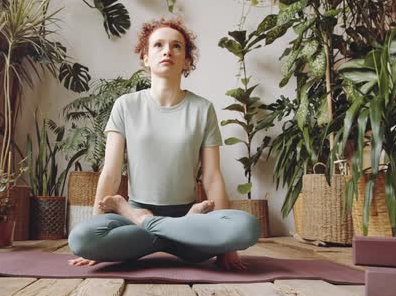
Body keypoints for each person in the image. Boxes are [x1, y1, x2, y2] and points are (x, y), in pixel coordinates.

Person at [67, 18, 260, 271]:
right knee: (81, 238)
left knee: (246, 228)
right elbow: (111, 173)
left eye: (176, 46)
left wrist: (229, 247)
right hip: (142, 221)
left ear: (187, 61)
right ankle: (154, 223)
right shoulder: (125, 106)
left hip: (182, 218)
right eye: (158, 45)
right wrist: (96, 234)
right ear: (146, 58)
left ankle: (150, 223)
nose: (167, 50)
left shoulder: (203, 109)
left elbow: (212, 177)